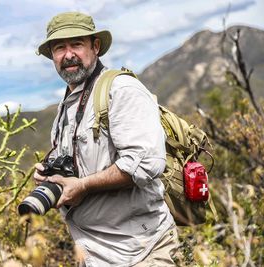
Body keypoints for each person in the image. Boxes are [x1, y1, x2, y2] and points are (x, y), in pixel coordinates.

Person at [34, 11, 179, 266]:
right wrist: (51, 176)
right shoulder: (66, 106)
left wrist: (83, 186)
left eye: (76, 44)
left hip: (142, 252)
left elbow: (146, 163)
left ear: (96, 46)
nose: (68, 54)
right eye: (59, 47)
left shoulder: (121, 90)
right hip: (93, 254)